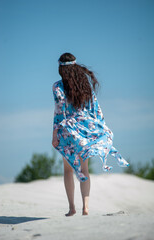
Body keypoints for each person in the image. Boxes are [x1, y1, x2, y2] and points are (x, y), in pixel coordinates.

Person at [52, 52, 129, 217]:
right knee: (84, 168)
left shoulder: (57, 86)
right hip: (86, 129)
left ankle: (72, 207)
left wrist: (55, 134)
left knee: (68, 170)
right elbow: (96, 109)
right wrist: (100, 127)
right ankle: (85, 207)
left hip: (68, 131)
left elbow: (59, 112)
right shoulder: (84, 85)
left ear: (60, 68)